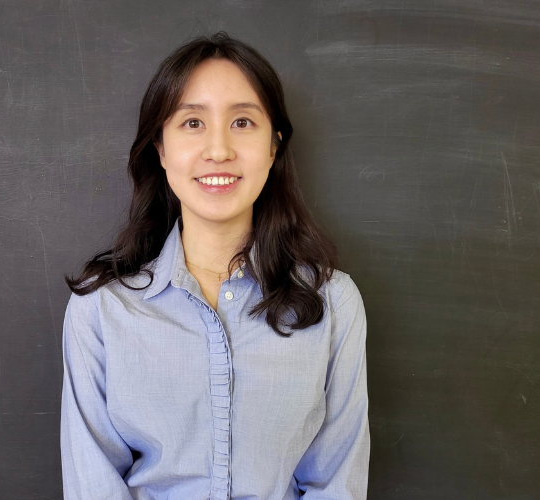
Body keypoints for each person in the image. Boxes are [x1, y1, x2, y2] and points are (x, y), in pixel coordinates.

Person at [60, 32, 369, 500]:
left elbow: (335, 481)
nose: (219, 150)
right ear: (161, 148)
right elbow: (93, 483)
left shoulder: (333, 304)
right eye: (192, 123)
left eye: (243, 122)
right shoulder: (101, 309)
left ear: (274, 146)